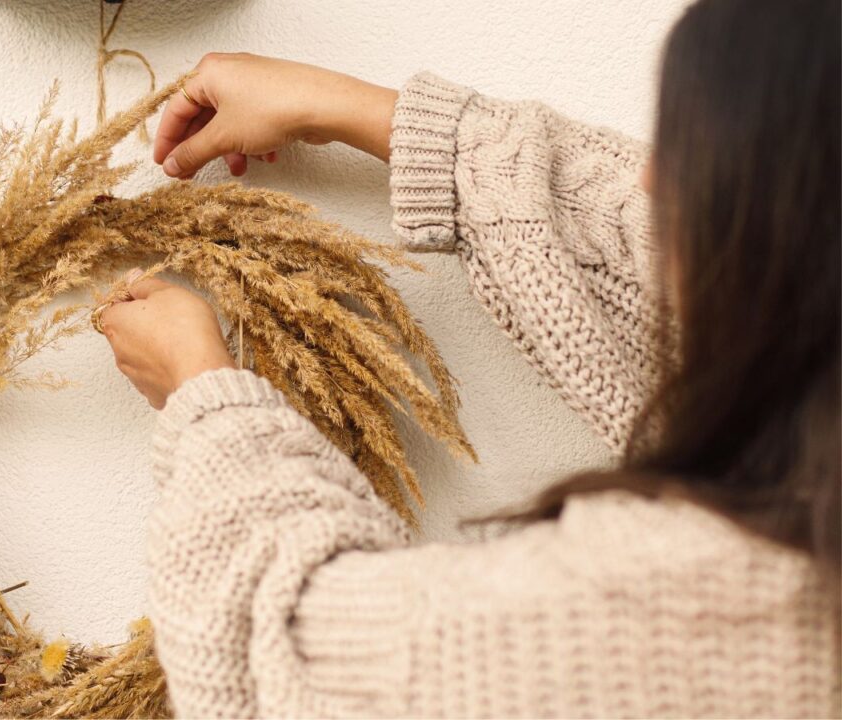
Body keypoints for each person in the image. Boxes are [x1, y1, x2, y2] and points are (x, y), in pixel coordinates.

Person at [94, 0, 840, 716]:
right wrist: (365, 112)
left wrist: (203, 392)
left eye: (692, 150)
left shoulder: (699, 602)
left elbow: (298, 657)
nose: (648, 176)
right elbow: (651, 240)